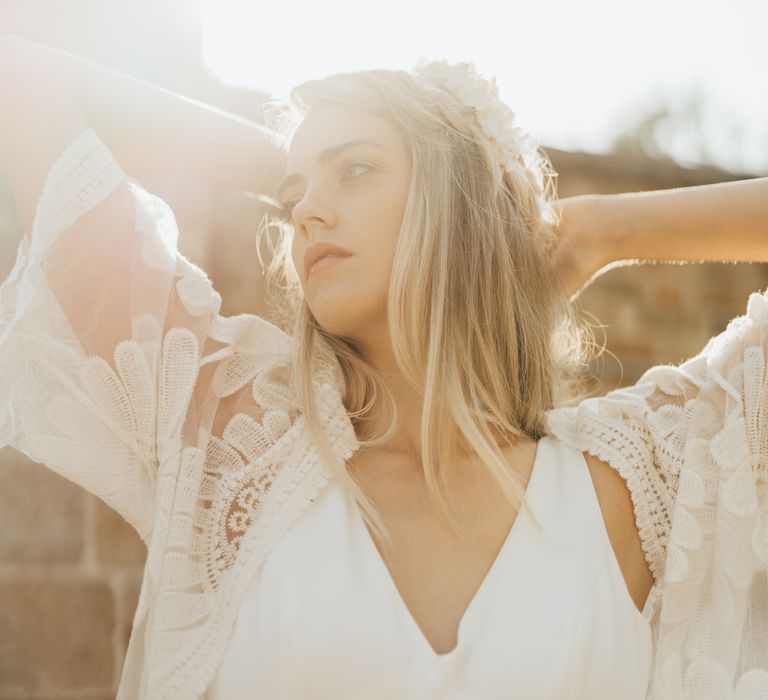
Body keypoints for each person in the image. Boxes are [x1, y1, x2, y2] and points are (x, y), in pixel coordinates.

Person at [0, 34, 766, 700]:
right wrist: (310, 162)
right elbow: (24, 75)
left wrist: (603, 229)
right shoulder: (228, 437)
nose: (304, 213)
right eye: (290, 198)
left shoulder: (639, 484)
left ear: (459, 200)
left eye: (357, 171)